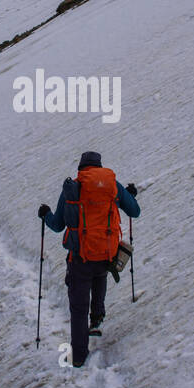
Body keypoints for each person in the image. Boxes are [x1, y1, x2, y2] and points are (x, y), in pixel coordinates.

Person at [38, 151, 139, 368]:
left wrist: (45, 213)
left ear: (81, 169)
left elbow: (57, 225)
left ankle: (79, 356)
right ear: (99, 166)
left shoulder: (73, 189)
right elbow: (134, 211)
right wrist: (130, 196)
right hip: (106, 255)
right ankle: (97, 318)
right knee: (99, 276)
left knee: (78, 307)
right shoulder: (113, 185)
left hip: (80, 258)